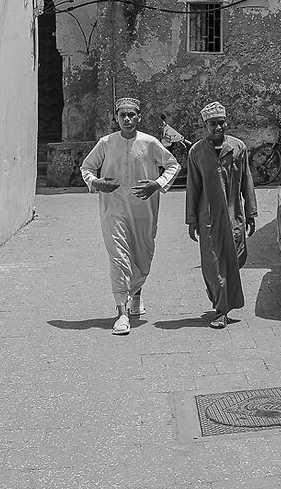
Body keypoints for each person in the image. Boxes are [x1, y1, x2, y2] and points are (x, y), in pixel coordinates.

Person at [81, 96, 180, 333]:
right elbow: (87, 167)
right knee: (119, 259)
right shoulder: (106, 143)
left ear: (139, 117)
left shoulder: (150, 142)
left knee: (141, 255)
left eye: (131, 115)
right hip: (113, 209)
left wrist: (157, 184)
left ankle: (136, 295)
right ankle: (121, 313)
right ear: (116, 118)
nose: (127, 119)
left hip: (143, 209)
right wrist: (96, 183)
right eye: (122, 115)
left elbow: (173, 165)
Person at [185, 100, 257, 329]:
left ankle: (224, 302)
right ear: (205, 126)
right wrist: (192, 220)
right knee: (213, 265)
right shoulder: (196, 152)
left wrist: (251, 212)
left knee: (234, 258)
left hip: (234, 214)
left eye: (222, 123)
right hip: (208, 218)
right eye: (213, 124)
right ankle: (222, 310)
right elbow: (193, 187)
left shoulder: (238, 148)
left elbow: (247, 181)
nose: (219, 128)